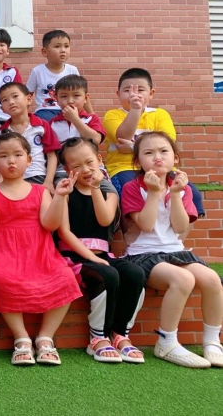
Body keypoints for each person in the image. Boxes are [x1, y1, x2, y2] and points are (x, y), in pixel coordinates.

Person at [0, 132, 82, 366]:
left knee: (65, 277)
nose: (11, 161)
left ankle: (45, 338)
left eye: (18, 155)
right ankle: (21, 338)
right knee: (1, 279)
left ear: (29, 160)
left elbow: (50, 224)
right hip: (3, 252)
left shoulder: (40, 191)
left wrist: (60, 197)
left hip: (39, 251)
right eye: (3, 156)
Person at [121, 132, 223, 368]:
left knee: (211, 279)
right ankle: (166, 342)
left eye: (163, 151)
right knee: (183, 278)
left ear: (175, 158)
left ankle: (212, 342)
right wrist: (153, 192)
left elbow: (180, 227)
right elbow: (146, 225)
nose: (157, 157)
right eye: (149, 153)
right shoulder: (132, 187)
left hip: (176, 251)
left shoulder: (183, 188)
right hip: (143, 254)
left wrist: (175, 193)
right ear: (138, 161)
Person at [56, 138, 146, 363]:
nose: (86, 170)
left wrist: (96, 188)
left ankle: (120, 334)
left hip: (103, 255)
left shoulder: (109, 193)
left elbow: (105, 219)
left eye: (89, 162)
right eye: (77, 166)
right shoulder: (64, 193)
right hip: (73, 257)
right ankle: (98, 337)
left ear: (99, 160)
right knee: (107, 275)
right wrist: (90, 257)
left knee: (135, 273)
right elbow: (64, 232)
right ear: (67, 169)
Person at [103, 68, 205, 217]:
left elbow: (167, 142)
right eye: (127, 90)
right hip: (124, 168)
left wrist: (132, 146)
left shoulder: (160, 115)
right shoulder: (112, 115)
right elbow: (123, 136)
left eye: (140, 90)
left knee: (193, 194)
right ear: (118, 94)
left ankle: (179, 231)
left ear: (151, 94)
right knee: (128, 192)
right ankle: (132, 230)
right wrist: (135, 110)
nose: (134, 95)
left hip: (161, 168)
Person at [0, 82, 61, 192]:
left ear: (29, 99)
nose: (11, 102)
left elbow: (51, 155)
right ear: (2, 108)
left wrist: (48, 181)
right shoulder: (2, 132)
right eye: (5, 100)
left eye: (15, 96)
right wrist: (0, 180)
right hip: (11, 179)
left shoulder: (42, 125)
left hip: (38, 177)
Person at [26, 30, 92, 121]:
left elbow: (82, 93)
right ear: (45, 52)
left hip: (69, 109)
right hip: (45, 111)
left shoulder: (72, 70)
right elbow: (27, 95)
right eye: (57, 46)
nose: (63, 50)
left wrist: (91, 114)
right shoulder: (37, 71)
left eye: (66, 46)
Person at [49, 75, 106, 181]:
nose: (70, 101)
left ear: (86, 98)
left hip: (92, 170)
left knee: (108, 189)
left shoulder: (91, 118)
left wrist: (75, 119)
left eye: (76, 95)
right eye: (64, 96)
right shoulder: (53, 123)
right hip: (63, 172)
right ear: (56, 99)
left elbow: (96, 139)